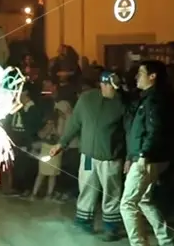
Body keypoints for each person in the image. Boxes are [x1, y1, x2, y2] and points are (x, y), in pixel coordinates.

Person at [49, 71, 127, 242]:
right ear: (102, 84)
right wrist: (61, 143)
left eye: (115, 88)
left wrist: (130, 157)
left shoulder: (122, 103)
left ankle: (112, 227)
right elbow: (74, 124)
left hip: (110, 158)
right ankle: (84, 220)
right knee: (86, 187)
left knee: (112, 192)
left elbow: (128, 131)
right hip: (89, 157)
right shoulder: (86, 99)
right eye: (109, 86)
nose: (112, 90)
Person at [121, 60, 174, 246]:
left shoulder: (154, 100)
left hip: (147, 159)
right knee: (144, 201)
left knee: (127, 204)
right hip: (148, 157)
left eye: (141, 73)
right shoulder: (148, 98)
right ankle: (167, 242)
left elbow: (155, 129)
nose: (137, 77)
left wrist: (143, 155)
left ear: (153, 76)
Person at [4, 90, 41, 197]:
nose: (18, 96)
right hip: (15, 140)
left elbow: (32, 127)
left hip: (26, 142)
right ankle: (15, 187)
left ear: (27, 95)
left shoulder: (33, 109)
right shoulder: (17, 107)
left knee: (25, 166)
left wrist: (29, 143)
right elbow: (9, 122)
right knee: (16, 164)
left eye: (21, 94)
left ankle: (25, 188)